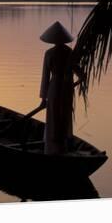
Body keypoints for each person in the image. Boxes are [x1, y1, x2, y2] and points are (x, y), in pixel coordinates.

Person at [39, 21, 82, 155]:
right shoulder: (69, 52)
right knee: (64, 113)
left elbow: (45, 77)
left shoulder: (49, 53)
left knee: (53, 114)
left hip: (54, 87)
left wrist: (43, 99)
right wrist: (72, 85)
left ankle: (53, 144)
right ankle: (63, 142)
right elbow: (82, 76)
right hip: (66, 88)